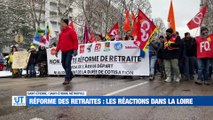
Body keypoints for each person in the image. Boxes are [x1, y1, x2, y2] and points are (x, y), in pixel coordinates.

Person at [56, 19, 78, 85]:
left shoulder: (71, 31)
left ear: (66, 24)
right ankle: (70, 74)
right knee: (63, 64)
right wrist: (57, 50)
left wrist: (75, 49)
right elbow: (59, 43)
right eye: (61, 23)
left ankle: (67, 78)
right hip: (63, 50)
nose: (62, 24)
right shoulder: (61, 33)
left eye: (63, 23)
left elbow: (75, 40)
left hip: (70, 50)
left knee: (67, 64)